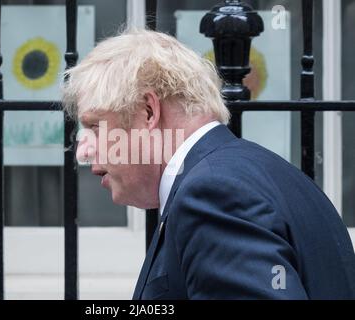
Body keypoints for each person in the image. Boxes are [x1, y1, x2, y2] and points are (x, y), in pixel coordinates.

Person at [62, 28, 355, 299]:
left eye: (96, 126)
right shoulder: (268, 175)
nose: (83, 153)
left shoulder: (213, 194)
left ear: (148, 111)